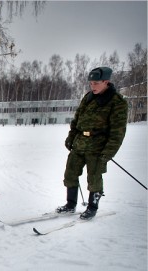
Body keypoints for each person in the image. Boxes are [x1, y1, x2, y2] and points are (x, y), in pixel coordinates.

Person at [57, 66, 128, 220]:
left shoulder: (117, 102)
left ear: (106, 82)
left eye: (96, 83)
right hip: (80, 143)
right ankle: (70, 204)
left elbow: (118, 133)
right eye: (91, 83)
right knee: (70, 173)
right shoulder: (88, 97)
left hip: (98, 147)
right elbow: (76, 120)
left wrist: (107, 154)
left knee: (94, 178)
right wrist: (71, 138)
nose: (92, 86)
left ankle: (92, 207)